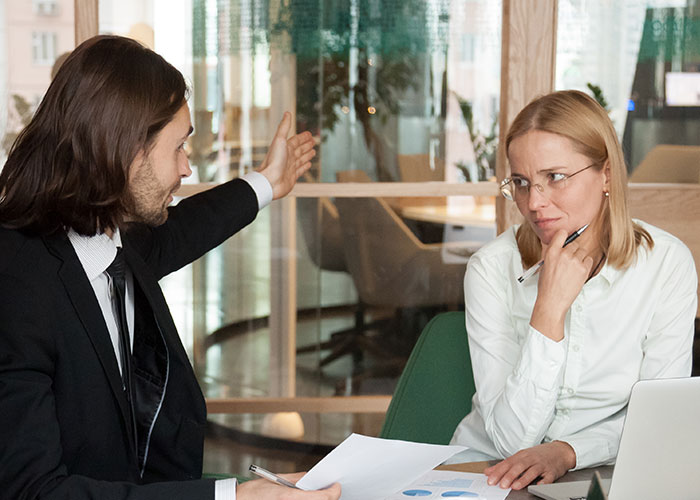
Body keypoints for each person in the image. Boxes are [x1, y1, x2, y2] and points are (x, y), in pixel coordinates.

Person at [0, 35, 340, 500]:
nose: (187, 169)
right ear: (125, 151)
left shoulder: (112, 241)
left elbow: (185, 228)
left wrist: (267, 182)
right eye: (179, 148)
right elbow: (34, 492)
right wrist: (234, 498)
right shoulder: (16, 286)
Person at [448, 90, 696, 490]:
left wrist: (569, 451)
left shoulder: (666, 265)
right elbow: (512, 442)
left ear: (607, 175)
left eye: (555, 177)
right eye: (522, 183)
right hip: (492, 472)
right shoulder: (490, 269)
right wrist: (548, 309)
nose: (534, 203)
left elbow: (658, 420)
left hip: (608, 470)